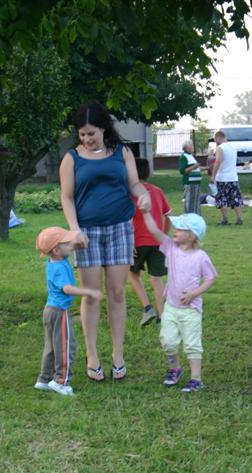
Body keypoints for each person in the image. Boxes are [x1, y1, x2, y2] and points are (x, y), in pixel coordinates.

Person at [59, 102, 151, 382]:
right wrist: (75, 230)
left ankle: (118, 355)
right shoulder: (72, 158)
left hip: (120, 228)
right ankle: (92, 356)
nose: (86, 139)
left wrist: (143, 194)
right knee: (91, 295)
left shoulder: (122, 152)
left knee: (117, 292)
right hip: (87, 232)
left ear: (103, 129)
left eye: (91, 133)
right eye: (82, 134)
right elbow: (67, 197)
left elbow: (134, 184)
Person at [137, 206, 217, 392]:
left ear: (191, 236)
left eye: (180, 229)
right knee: (168, 342)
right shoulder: (171, 248)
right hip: (171, 308)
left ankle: (196, 379)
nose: (175, 230)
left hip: (191, 310)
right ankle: (175, 368)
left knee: (192, 345)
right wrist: (146, 212)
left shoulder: (201, 257)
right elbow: (155, 231)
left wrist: (194, 293)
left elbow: (210, 278)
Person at [34, 226, 103, 396]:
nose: (72, 244)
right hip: (59, 312)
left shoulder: (55, 260)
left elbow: (68, 249)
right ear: (56, 250)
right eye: (67, 243)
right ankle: (60, 382)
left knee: (52, 346)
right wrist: (89, 292)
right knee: (65, 347)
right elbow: (67, 289)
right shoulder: (59, 268)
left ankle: (44, 379)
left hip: (50, 310)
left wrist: (75, 244)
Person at [129, 157, 171, 326]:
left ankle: (147, 308)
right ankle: (161, 317)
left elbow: (126, 220)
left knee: (133, 274)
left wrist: (129, 242)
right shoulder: (157, 191)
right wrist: (163, 236)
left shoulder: (129, 194)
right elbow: (168, 216)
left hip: (137, 242)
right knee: (156, 278)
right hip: (157, 242)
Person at [210, 130, 243, 225]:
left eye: (215, 140)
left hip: (222, 177)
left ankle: (225, 219)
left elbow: (218, 161)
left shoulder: (220, 148)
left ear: (218, 138)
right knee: (235, 198)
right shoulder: (233, 147)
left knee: (222, 198)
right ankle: (239, 218)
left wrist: (213, 175)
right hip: (233, 177)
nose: (215, 142)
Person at [179, 140, 202, 214]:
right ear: (186, 147)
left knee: (196, 200)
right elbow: (183, 170)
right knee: (189, 200)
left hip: (196, 182)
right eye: (191, 146)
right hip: (189, 182)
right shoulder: (184, 157)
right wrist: (194, 167)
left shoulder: (191, 156)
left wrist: (207, 168)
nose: (193, 147)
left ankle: (196, 214)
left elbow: (196, 168)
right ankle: (189, 215)